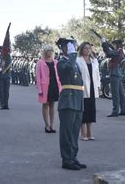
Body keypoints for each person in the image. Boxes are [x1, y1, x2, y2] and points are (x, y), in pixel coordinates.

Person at [56, 38, 86, 170]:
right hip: (68, 101)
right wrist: (73, 54)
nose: (72, 49)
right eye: (70, 47)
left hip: (78, 100)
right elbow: (67, 69)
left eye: (73, 46)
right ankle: (66, 160)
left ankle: (73, 157)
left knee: (74, 132)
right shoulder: (62, 62)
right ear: (63, 48)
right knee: (67, 132)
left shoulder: (75, 63)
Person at [76, 42, 100, 141]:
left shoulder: (94, 61)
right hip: (82, 88)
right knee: (83, 111)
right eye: (85, 48)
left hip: (92, 88)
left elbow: (97, 74)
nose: (88, 50)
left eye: (89, 48)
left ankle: (90, 132)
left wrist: (98, 86)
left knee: (91, 111)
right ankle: (83, 133)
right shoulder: (78, 60)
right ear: (81, 49)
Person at [36, 45, 62, 133]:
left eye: (51, 50)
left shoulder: (56, 62)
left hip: (54, 85)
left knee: (52, 105)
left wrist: (60, 87)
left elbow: (59, 75)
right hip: (44, 86)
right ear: (44, 52)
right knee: (45, 105)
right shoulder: (40, 62)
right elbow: (38, 77)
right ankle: (46, 125)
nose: (50, 52)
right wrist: (39, 89)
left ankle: (52, 125)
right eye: (48, 50)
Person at [101, 38, 125, 117]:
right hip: (118, 73)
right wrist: (106, 44)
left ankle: (115, 111)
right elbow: (110, 51)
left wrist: (104, 43)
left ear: (117, 45)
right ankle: (123, 110)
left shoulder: (117, 51)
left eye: (114, 44)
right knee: (121, 93)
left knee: (115, 93)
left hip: (115, 73)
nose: (113, 46)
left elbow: (108, 53)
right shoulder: (121, 51)